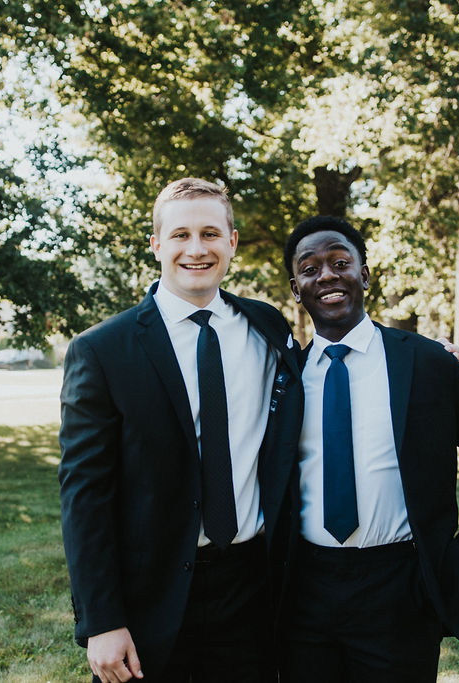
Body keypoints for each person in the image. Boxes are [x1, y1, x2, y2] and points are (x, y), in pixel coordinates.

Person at [58, 178, 300, 682]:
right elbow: (85, 494)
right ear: (156, 245)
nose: (196, 249)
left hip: (253, 586)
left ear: (231, 243)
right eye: (180, 235)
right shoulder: (102, 351)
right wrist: (102, 620)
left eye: (211, 233)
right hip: (152, 593)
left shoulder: (268, 328)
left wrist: (432, 358)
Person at [275, 215, 459, 683]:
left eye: (340, 262)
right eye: (310, 269)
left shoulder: (427, 362)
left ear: (364, 274)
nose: (326, 275)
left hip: (399, 585)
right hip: (305, 587)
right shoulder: (284, 378)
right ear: (296, 288)